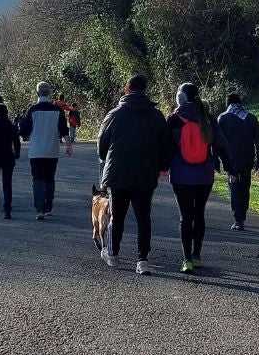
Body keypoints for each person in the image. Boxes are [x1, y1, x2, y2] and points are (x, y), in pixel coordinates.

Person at [95, 74, 169, 275]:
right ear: (145, 90)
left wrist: (105, 157)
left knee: (116, 216)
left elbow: (102, 145)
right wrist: (162, 165)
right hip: (145, 174)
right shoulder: (156, 116)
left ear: (127, 89)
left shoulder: (114, 114)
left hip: (118, 173)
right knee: (143, 218)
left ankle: (113, 254)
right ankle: (142, 260)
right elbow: (166, 144)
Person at [166, 82, 227, 273]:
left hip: (181, 174)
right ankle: (197, 255)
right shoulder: (208, 118)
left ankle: (186, 259)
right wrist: (231, 167)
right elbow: (222, 144)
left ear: (181, 98)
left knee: (186, 216)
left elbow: (166, 146)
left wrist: (160, 167)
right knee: (199, 214)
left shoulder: (174, 119)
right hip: (204, 175)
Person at [17, 82, 70, 220]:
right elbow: (64, 129)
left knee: (37, 179)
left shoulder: (32, 110)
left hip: (36, 151)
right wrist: (69, 145)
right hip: (52, 150)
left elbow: (23, 130)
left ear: (37, 93)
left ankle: (39, 209)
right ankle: (48, 207)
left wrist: (22, 135)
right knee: (50, 179)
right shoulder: (57, 110)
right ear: (50, 93)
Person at [216, 91, 259, 230]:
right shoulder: (250, 118)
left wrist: (218, 160)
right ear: (240, 103)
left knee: (233, 187)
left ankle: (238, 219)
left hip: (230, 159)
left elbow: (218, 142)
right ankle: (242, 215)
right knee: (245, 186)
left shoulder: (223, 118)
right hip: (247, 158)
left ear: (228, 103)